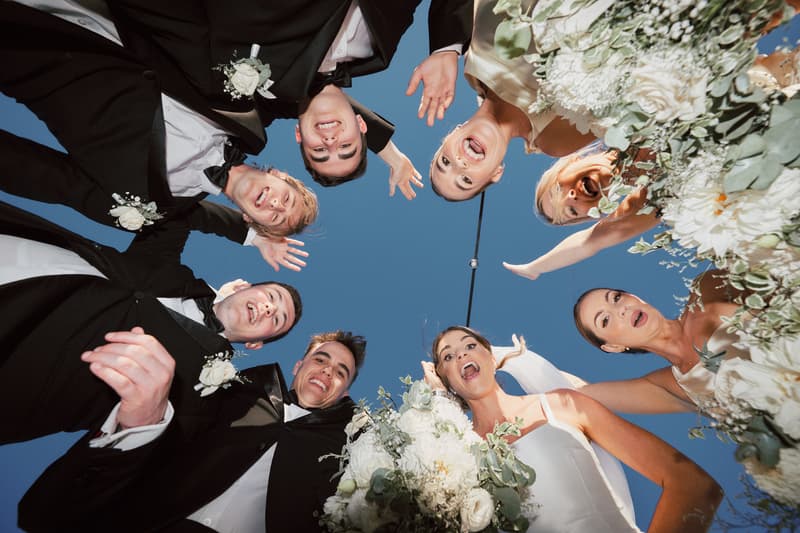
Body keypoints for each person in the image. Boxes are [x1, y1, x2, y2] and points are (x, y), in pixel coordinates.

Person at [0, 199, 301, 444]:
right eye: (270, 297)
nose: (267, 309)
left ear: (255, 343)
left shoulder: (204, 392)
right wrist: (250, 235)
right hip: (20, 264)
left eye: (277, 319)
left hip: (21, 372)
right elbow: (179, 211)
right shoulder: (168, 270)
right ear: (241, 286)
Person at [18, 329, 366, 533]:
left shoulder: (349, 442)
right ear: (299, 365)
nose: (327, 372)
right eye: (321, 359)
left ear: (345, 391)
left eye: (341, 372)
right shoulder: (236, 391)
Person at [104, 0, 472, 187]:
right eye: (345, 146)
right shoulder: (378, 53)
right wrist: (446, 48)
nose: (330, 139)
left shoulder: (247, 80)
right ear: (360, 124)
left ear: (300, 134)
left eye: (318, 150)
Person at [425, 326, 723, 532]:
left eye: (470, 346)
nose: (461, 355)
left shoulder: (564, 405)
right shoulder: (459, 455)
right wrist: (437, 399)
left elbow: (692, 484)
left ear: (492, 358)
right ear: (448, 380)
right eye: (448, 357)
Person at [429, 0, 602, 201]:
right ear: (496, 173)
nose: (459, 163)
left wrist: (444, 51)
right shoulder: (555, 140)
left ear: (452, 133)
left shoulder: (468, 56)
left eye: (445, 161)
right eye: (466, 180)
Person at [571, 270, 766, 415]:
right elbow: (575, 394)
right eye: (605, 320)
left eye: (616, 298)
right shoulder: (669, 387)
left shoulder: (705, 290)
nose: (620, 309)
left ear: (635, 297)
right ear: (614, 347)